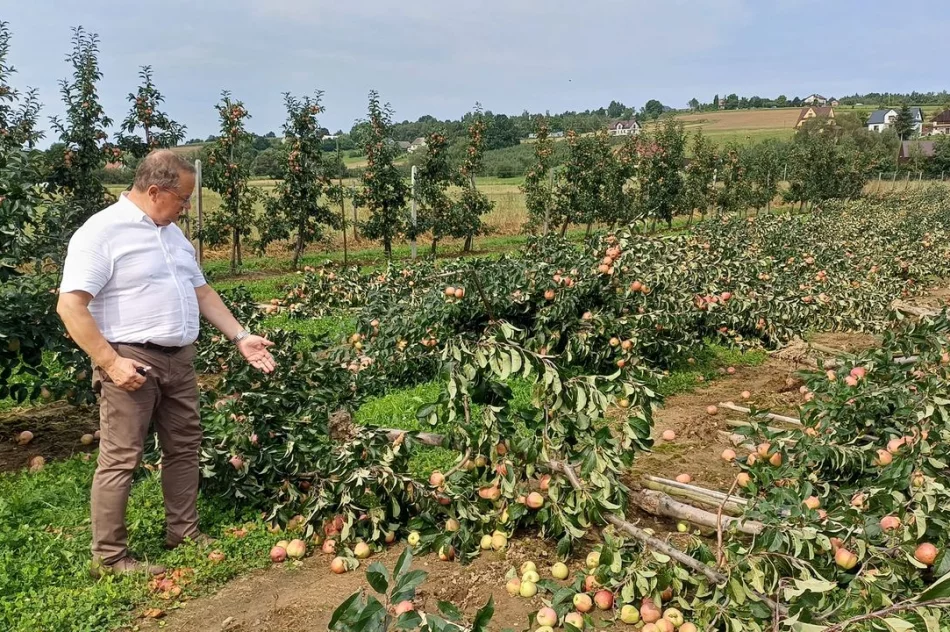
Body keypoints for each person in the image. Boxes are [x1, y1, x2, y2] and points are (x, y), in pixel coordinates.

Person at [56, 149, 276, 577]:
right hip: (131, 359)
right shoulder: (102, 232)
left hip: (179, 359)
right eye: (182, 199)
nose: (187, 207)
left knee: (184, 447)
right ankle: (110, 557)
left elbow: (202, 292)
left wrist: (241, 336)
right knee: (122, 457)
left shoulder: (173, 235)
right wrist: (111, 363)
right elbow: (70, 306)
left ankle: (183, 530)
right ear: (155, 191)